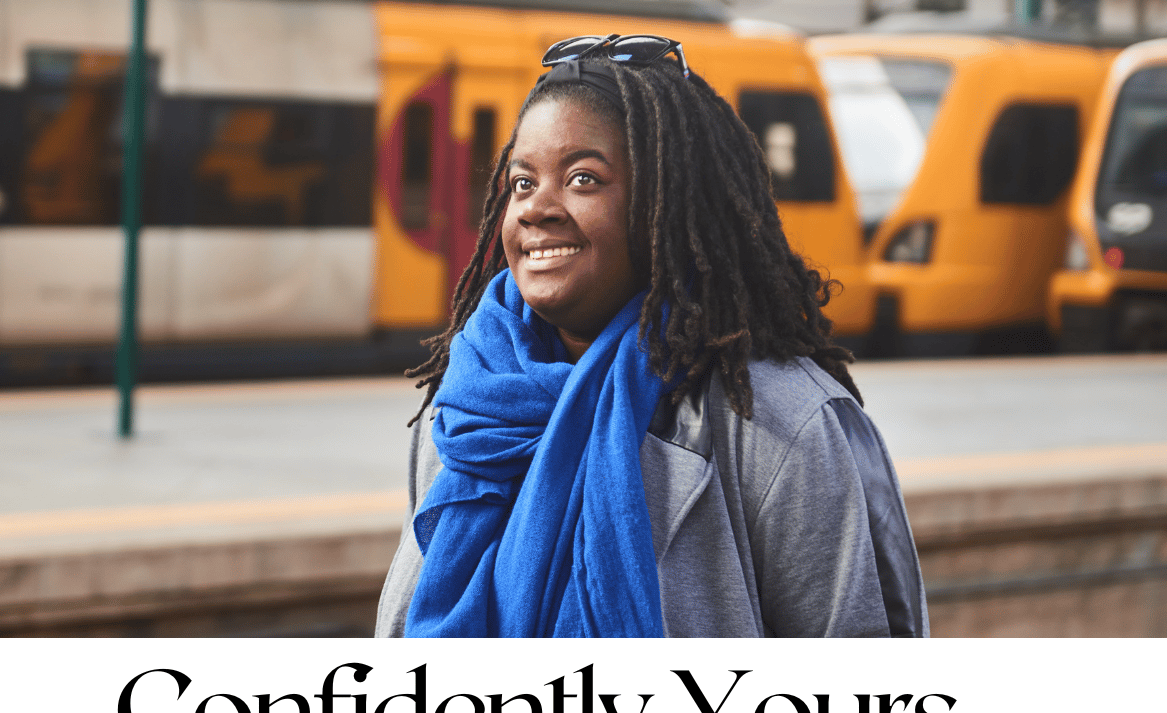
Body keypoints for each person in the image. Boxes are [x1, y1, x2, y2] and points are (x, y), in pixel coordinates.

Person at [376, 33, 927, 638]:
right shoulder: (464, 408)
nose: (537, 208)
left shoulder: (781, 423)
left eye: (583, 180)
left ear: (663, 203)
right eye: (523, 183)